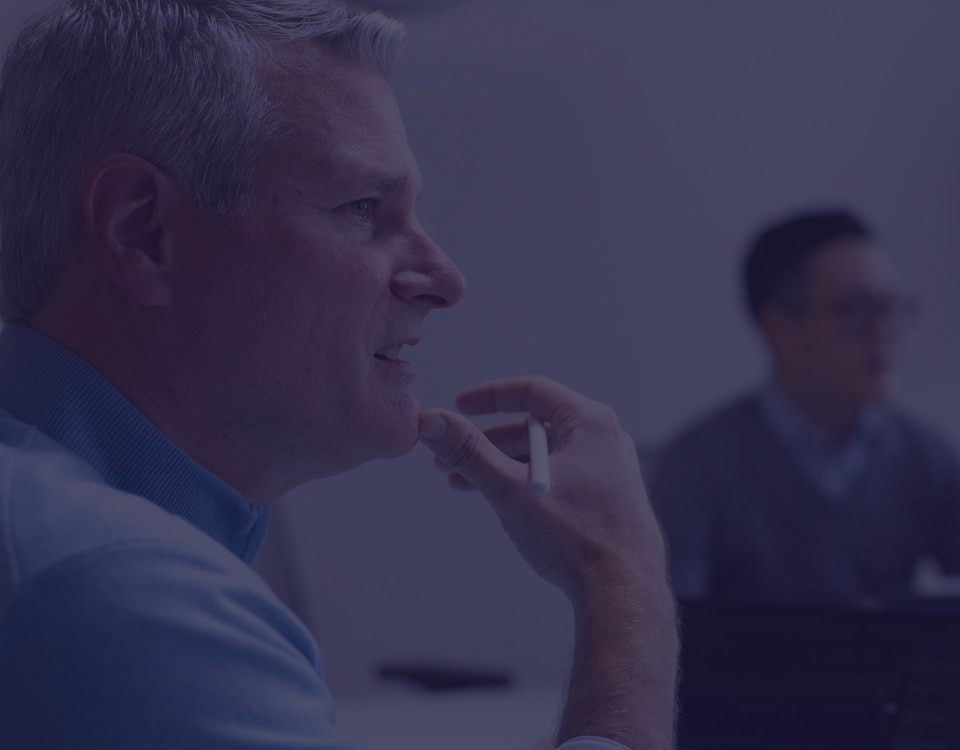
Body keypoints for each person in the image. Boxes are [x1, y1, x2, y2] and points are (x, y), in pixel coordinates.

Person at [0, 1, 678, 748]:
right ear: (142, 230)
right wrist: (622, 580)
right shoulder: (122, 592)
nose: (445, 279)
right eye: (362, 207)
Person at [650, 208, 960, 608]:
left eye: (891, 305)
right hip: (746, 672)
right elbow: (662, 630)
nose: (884, 329)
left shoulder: (928, 458)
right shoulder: (699, 464)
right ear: (778, 327)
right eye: (855, 308)